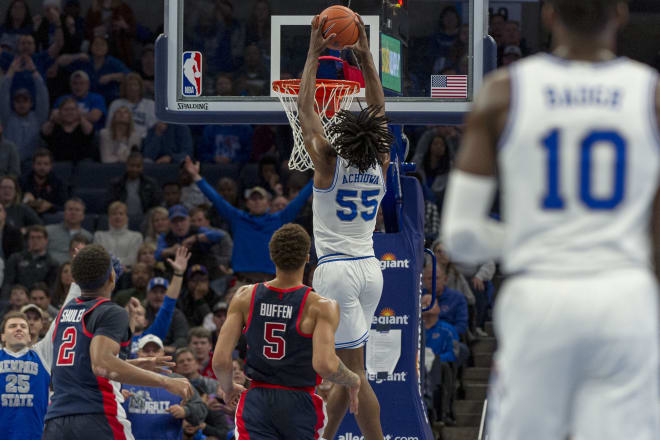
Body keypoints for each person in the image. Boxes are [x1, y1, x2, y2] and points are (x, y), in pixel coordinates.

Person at [441, 1, 660, 439]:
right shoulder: (652, 95)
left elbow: (461, 239)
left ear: (547, 15)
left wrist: (540, 239)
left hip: (539, 295)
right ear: (620, 13)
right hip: (624, 297)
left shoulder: (504, 91)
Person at [297, 14, 393, 439]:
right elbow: (379, 108)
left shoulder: (327, 162)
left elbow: (304, 111)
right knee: (349, 370)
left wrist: (314, 57)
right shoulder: (381, 159)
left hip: (338, 270)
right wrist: (367, 58)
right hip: (370, 269)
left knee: (354, 373)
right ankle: (327, 435)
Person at [212, 223, 360, 439]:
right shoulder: (321, 305)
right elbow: (325, 365)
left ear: (272, 257)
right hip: (300, 402)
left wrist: (227, 387)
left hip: (257, 400)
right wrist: (352, 379)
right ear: (308, 258)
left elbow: (220, 361)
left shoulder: (245, 296)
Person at [42, 244, 193, 440]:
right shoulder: (110, 311)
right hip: (96, 416)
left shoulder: (66, 312)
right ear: (112, 277)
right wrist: (165, 382)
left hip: (57, 421)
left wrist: (139, 364)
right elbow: (102, 365)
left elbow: (83, 364)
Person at [184, 157, 313, 281]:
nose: (256, 202)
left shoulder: (279, 219)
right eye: (253, 199)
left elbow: (300, 199)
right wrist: (196, 177)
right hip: (242, 282)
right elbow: (216, 199)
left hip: (270, 282)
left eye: (260, 198)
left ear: (268, 203)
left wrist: (316, 178)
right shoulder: (238, 218)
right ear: (247, 203)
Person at [0, 281, 81, 440]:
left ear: (30, 336)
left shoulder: (41, 354)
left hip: (35, 436)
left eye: (23, 327)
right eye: (12, 326)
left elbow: (63, 317)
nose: (18, 328)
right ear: (2, 336)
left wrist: (78, 282)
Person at [122, 335, 208, 440]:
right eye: (146, 350)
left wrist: (185, 411)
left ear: (163, 353)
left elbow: (201, 410)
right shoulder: (123, 380)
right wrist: (117, 399)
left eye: (156, 350)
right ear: (137, 354)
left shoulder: (178, 381)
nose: (151, 354)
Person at [2, 225, 58, 297]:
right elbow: (7, 284)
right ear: (27, 240)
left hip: (39, 299)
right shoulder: (15, 259)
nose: (35, 240)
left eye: (39, 237)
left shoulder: (52, 263)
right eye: (32, 237)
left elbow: (52, 288)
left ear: (46, 240)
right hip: (17, 298)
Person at [106, 151, 162, 218]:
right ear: (127, 165)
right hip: (121, 219)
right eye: (132, 166)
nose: (134, 169)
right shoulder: (116, 183)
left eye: (138, 166)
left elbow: (156, 205)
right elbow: (110, 205)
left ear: (142, 167)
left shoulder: (151, 183)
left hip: (145, 219)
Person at [94, 201, 143, 268]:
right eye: (114, 214)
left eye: (121, 214)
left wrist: (110, 262)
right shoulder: (99, 236)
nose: (117, 217)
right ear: (109, 218)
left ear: (126, 218)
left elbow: (132, 260)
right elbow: (98, 259)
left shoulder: (137, 236)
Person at [20, 148, 68, 216]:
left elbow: (64, 206)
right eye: (39, 164)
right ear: (33, 165)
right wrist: (24, 200)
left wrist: (50, 206)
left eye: (46, 164)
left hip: (50, 216)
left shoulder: (58, 183)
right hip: (27, 215)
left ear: (51, 166)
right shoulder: (23, 180)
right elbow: (14, 203)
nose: (42, 167)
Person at [46, 197, 93, 265]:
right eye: (70, 209)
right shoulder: (48, 231)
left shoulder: (88, 236)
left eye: (77, 210)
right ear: (64, 213)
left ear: (83, 215)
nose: (73, 213)